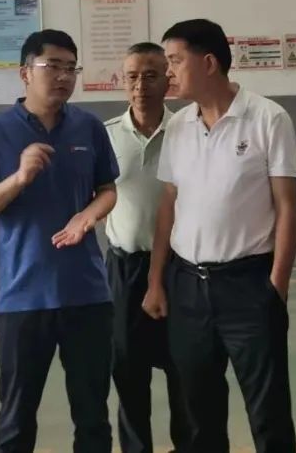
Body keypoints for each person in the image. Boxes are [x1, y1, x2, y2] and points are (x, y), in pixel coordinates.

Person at [143, 19, 296, 453]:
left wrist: (276, 287)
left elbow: (287, 208)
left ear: (209, 62)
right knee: (198, 415)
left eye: (175, 61)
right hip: (187, 288)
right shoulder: (179, 127)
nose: (168, 72)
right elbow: (168, 206)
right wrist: (157, 281)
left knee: (268, 413)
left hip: (249, 286)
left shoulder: (268, 118)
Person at [0, 29, 119, 453]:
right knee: (16, 418)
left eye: (71, 68)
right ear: (25, 73)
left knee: (93, 416)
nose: (64, 76)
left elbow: (108, 189)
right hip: (22, 299)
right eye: (54, 66)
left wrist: (88, 215)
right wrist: (19, 178)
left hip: (86, 295)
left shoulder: (88, 127)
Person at [104, 43, 192, 453]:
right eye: (133, 76)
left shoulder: (188, 130)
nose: (141, 85)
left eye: (151, 76)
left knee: (184, 368)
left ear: (168, 80)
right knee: (128, 371)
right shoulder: (105, 135)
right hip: (123, 270)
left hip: (178, 270)